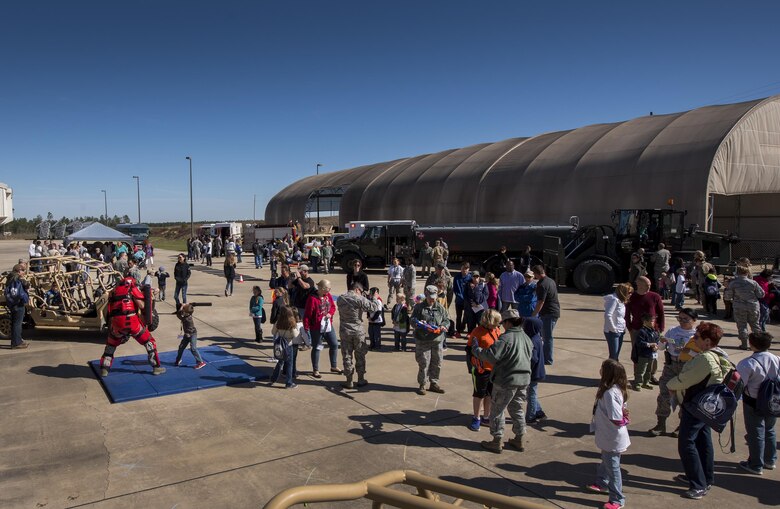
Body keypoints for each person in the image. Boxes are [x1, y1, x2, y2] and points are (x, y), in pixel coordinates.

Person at [667, 322, 731, 499]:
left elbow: (686, 379)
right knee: (703, 441)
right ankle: (706, 478)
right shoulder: (718, 354)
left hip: (696, 406)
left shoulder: (705, 358)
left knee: (686, 443)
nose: (694, 339)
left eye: (697, 337)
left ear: (708, 341)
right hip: (706, 406)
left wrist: (670, 385)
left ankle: (697, 484)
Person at [474, 308, 533, 454]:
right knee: (517, 409)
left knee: (497, 411)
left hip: (506, 380)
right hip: (524, 380)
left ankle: (496, 440)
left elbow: (491, 356)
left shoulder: (506, 338)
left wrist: (476, 349)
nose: (501, 326)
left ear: (507, 322)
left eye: (502, 323)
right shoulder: (526, 337)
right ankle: (519, 439)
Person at [585, 359, 630, 509]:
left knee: (613, 467)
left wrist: (622, 419)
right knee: (606, 459)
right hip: (609, 436)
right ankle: (602, 483)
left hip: (612, 437)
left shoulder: (610, 393)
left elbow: (616, 417)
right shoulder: (614, 389)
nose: (600, 371)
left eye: (602, 368)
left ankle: (617, 499)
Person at [648, 308, 698, 438]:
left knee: (685, 397)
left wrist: (688, 351)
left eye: (685, 319)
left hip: (687, 368)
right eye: (679, 318)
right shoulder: (673, 331)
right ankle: (661, 424)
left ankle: (682, 425)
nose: (682, 322)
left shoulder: (697, 336)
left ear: (694, 320)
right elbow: (661, 347)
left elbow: (702, 354)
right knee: (664, 394)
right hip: (671, 366)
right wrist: (662, 343)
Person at [99, 277, 165, 376]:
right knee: (149, 342)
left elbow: (108, 310)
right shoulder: (131, 289)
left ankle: (105, 368)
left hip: (116, 323)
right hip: (132, 321)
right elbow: (142, 306)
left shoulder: (113, 291)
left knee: (111, 345)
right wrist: (148, 300)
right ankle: (156, 367)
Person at [737, 331, 779, 474]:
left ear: (752, 344)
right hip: (773, 400)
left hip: (753, 401)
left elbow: (739, 384)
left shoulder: (747, 363)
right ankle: (770, 460)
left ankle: (755, 464)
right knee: (770, 430)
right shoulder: (777, 359)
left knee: (756, 433)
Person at [336, 282, 381, 388]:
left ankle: (349, 380)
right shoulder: (359, 299)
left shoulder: (340, 298)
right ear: (357, 289)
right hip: (357, 332)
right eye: (361, 291)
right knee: (360, 355)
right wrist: (374, 297)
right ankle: (360, 379)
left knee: (347, 356)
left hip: (345, 331)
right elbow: (374, 308)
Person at [465, 309, 501, 431]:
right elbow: (469, 349)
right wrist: (473, 365)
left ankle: (486, 416)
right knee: (479, 394)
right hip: (481, 369)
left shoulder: (496, 330)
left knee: (490, 394)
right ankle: (476, 417)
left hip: (494, 369)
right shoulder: (477, 332)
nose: (498, 324)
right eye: (496, 321)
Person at [411, 285, 451, 395]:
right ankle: (422, 384)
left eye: (434, 297)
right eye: (430, 297)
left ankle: (434, 383)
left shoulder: (440, 308)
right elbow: (412, 320)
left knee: (437, 362)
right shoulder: (419, 307)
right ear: (426, 295)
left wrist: (444, 325)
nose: (432, 299)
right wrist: (418, 324)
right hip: (423, 340)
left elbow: (447, 320)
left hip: (437, 340)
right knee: (424, 363)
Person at [625, 276, 664, 383]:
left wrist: (660, 328)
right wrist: (630, 327)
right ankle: (638, 376)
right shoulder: (632, 297)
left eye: (650, 285)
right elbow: (627, 314)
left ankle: (651, 375)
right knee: (637, 353)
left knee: (653, 354)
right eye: (647, 285)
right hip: (637, 330)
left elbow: (660, 313)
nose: (649, 287)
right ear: (639, 285)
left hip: (653, 331)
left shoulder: (655, 296)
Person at [303, 279, 340, 378]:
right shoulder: (312, 299)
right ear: (322, 288)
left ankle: (334, 366)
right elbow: (307, 314)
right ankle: (315, 370)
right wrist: (306, 327)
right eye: (328, 288)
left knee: (334, 344)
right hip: (316, 328)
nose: (329, 290)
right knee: (317, 348)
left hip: (328, 326)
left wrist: (330, 314)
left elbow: (333, 307)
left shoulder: (328, 296)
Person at [724, 265, 764, 350]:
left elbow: (727, 296)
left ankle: (744, 344)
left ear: (737, 272)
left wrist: (732, 299)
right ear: (747, 273)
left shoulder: (733, 283)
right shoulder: (753, 283)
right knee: (755, 325)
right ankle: (759, 345)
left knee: (742, 325)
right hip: (753, 306)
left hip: (739, 306)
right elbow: (761, 294)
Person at [532, 265, 560, 366]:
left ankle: (547, 359)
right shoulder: (550, 281)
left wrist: (534, 314)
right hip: (554, 311)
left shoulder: (542, 284)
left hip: (548, 312)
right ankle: (546, 356)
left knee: (547, 337)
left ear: (536, 274)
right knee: (546, 336)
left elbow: (541, 302)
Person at [524, 316, 547, 424]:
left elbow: (533, 359)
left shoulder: (532, 341)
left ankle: (531, 417)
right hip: (538, 371)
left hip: (533, 373)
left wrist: (527, 370)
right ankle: (538, 411)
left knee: (531, 393)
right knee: (531, 392)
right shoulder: (537, 337)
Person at [269, 306, 298, 389]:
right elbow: (295, 335)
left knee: (280, 362)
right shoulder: (291, 322)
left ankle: (273, 379)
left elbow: (273, 332)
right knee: (289, 364)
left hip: (280, 345)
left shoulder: (278, 322)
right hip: (288, 345)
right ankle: (289, 383)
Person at [631, 314, 659, 391]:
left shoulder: (654, 331)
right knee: (641, 370)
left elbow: (657, 340)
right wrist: (649, 344)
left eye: (653, 321)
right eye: (651, 321)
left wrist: (656, 346)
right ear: (645, 322)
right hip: (643, 355)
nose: (653, 323)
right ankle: (638, 383)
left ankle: (645, 383)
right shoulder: (642, 332)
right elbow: (639, 342)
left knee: (649, 370)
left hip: (651, 355)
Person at [604, 283, 632, 361]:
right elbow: (608, 315)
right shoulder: (614, 300)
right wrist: (613, 329)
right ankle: (610, 372)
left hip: (620, 330)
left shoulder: (621, 301)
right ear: (623, 292)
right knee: (613, 356)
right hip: (612, 332)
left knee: (616, 356)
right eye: (629, 293)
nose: (630, 294)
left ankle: (614, 371)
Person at [5, 264, 30, 349]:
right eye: (23, 270)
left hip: (12, 304)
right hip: (18, 304)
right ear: (18, 271)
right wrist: (24, 299)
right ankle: (16, 343)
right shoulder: (17, 280)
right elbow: (18, 293)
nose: (24, 272)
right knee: (17, 324)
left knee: (15, 324)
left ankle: (17, 341)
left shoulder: (10, 279)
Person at [174, 303, 206, 369]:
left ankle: (200, 362)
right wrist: (185, 305)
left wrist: (182, 306)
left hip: (192, 334)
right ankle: (178, 360)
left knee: (193, 348)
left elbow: (179, 314)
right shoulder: (187, 315)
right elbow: (181, 313)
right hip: (187, 334)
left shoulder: (187, 319)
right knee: (181, 347)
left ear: (186, 312)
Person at [452, 262, 473, 336]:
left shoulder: (470, 278)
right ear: (460, 268)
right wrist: (459, 296)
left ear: (468, 269)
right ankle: (458, 331)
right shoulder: (457, 277)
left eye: (466, 269)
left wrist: (467, 298)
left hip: (467, 301)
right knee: (458, 316)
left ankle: (469, 332)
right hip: (459, 300)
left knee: (468, 316)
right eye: (463, 268)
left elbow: (472, 290)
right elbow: (455, 288)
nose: (464, 270)